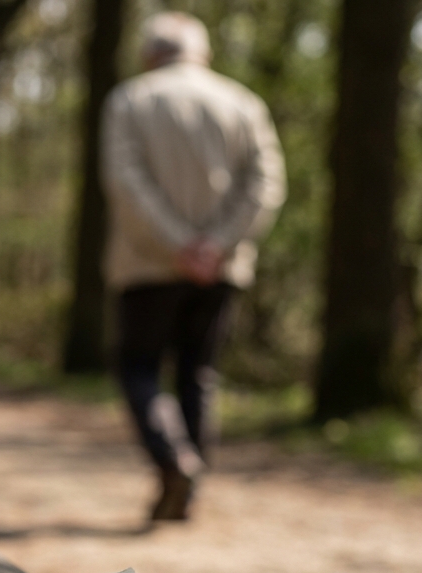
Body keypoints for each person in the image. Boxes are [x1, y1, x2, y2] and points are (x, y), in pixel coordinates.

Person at [101, 12, 286, 522]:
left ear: (149, 54)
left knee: (139, 367)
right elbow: (265, 184)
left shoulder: (130, 100)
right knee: (198, 373)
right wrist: (217, 246)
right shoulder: (243, 102)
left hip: (145, 266)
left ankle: (173, 461)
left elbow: (126, 183)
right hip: (220, 270)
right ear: (201, 53)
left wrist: (178, 245)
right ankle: (190, 480)